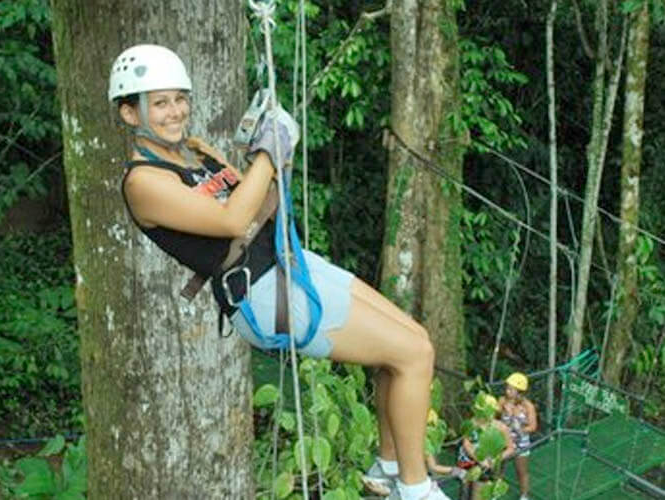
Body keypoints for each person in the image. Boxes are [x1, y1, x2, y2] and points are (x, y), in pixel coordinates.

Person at [109, 44, 447, 500]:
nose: (176, 112)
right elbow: (232, 222)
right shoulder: (144, 182)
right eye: (161, 103)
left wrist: (268, 156)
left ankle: (389, 468)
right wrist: (267, 155)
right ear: (131, 114)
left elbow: (261, 207)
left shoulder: (195, 153)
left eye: (179, 98)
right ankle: (416, 490)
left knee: (415, 343)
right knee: (412, 357)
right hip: (262, 292)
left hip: (288, 261)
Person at [456, 394, 515, 500]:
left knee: (479, 494)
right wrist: (479, 458)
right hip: (468, 461)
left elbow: (510, 448)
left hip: (487, 465)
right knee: (464, 491)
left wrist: (495, 459)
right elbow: (466, 443)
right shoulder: (471, 423)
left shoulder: (501, 427)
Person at [499, 372, 538, 500]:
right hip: (504, 440)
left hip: (521, 442)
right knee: (498, 467)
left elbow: (533, 426)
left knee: (521, 471)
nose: (507, 391)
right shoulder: (503, 401)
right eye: (507, 388)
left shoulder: (528, 406)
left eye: (511, 389)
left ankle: (524, 495)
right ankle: (495, 491)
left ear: (519, 392)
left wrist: (519, 428)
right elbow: (495, 416)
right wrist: (502, 410)